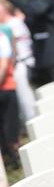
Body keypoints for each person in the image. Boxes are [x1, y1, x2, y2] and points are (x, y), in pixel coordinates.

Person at [0, 0, 36, 121]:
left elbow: (14, 50)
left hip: (21, 64)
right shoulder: (13, 23)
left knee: (26, 99)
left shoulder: (12, 24)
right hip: (22, 64)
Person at [0, 31, 19, 169]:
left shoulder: (2, 37)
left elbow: (5, 63)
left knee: (10, 128)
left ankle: (14, 160)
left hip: (6, 87)